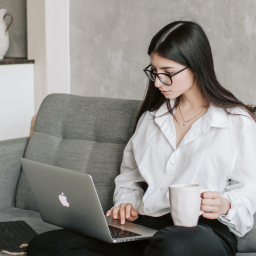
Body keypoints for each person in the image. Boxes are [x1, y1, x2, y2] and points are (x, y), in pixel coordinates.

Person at [27, 21, 256, 256]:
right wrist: (126, 204)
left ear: (196, 66)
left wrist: (224, 205)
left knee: (173, 245)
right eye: (154, 72)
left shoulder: (236, 121)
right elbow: (129, 179)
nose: (157, 83)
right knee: (45, 244)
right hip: (147, 228)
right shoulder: (152, 119)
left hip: (202, 232)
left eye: (167, 73)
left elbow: (248, 192)